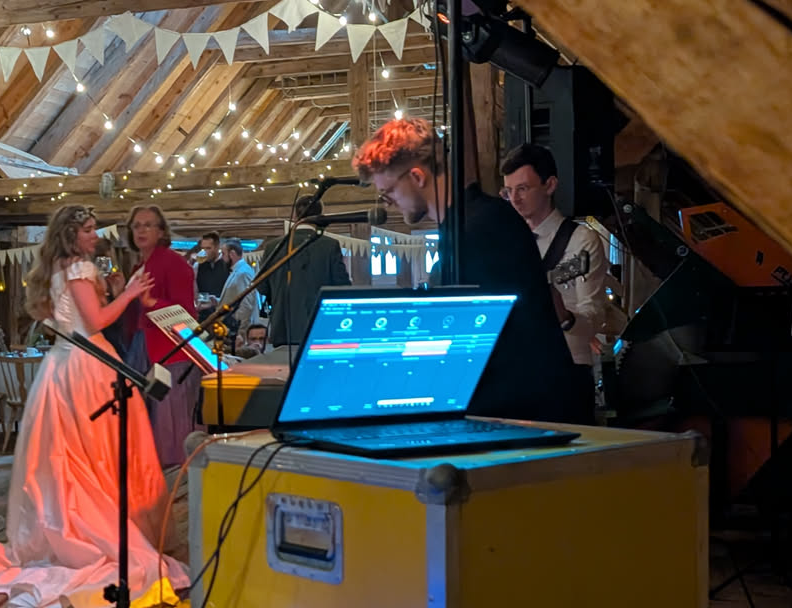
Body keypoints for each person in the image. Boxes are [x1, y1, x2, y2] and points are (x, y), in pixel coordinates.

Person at [0, 206, 187, 608]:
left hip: (62, 365)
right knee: (98, 452)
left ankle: (69, 521)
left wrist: (115, 290)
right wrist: (129, 293)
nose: (95, 236)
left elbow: (74, 316)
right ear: (72, 235)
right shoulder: (79, 268)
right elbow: (96, 321)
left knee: (69, 454)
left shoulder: (57, 267)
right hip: (89, 366)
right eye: (88, 230)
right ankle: (97, 526)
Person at [354, 119, 593, 426]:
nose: (390, 204)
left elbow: (477, 343)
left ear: (416, 176)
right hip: (514, 412)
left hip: (522, 419)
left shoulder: (478, 229)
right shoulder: (477, 220)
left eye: (388, 193)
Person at [499, 141, 611, 379]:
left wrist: (566, 318)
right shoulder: (507, 241)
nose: (515, 199)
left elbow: (595, 316)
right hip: (519, 369)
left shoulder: (581, 240)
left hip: (567, 370)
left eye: (522, 189)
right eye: (508, 192)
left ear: (549, 185)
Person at [124, 204, 203, 468]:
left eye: (148, 225)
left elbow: (187, 315)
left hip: (172, 352)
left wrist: (152, 302)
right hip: (144, 348)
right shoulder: (141, 264)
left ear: (161, 231)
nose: (141, 230)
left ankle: (178, 479)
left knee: (171, 420)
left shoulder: (173, 263)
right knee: (152, 418)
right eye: (136, 225)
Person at [257, 203, 351, 349]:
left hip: (283, 327)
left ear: (295, 216)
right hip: (320, 326)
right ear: (320, 217)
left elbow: (262, 287)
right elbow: (342, 286)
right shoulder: (329, 245)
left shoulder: (273, 246)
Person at [218, 240, 258, 342]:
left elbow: (246, 304)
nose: (221, 257)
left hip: (237, 330)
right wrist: (217, 301)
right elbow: (234, 298)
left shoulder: (243, 273)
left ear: (232, 254)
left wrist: (240, 332)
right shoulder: (238, 271)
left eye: (223, 253)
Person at [192, 232, 229, 310]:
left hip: (223, 311)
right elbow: (195, 290)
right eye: (203, 248)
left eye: (208, 248)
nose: (205, 252)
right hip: (203, 312)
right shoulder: (198, 265)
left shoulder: (227, 264)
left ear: (217, 247)